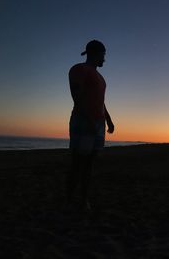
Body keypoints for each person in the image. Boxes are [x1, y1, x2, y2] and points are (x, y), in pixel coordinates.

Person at [66, 40, 114, 211]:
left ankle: (84, 199)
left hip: (98, 123)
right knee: (78, 162)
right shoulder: (79, 69)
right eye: (103, 54)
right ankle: (69, 199)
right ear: (95, 53)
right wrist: (89, 119)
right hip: (83, 121)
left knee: (90, 163)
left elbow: (101, 101)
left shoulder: (100, 77)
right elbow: (76, 96)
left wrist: (108, 119)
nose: (104, 59)